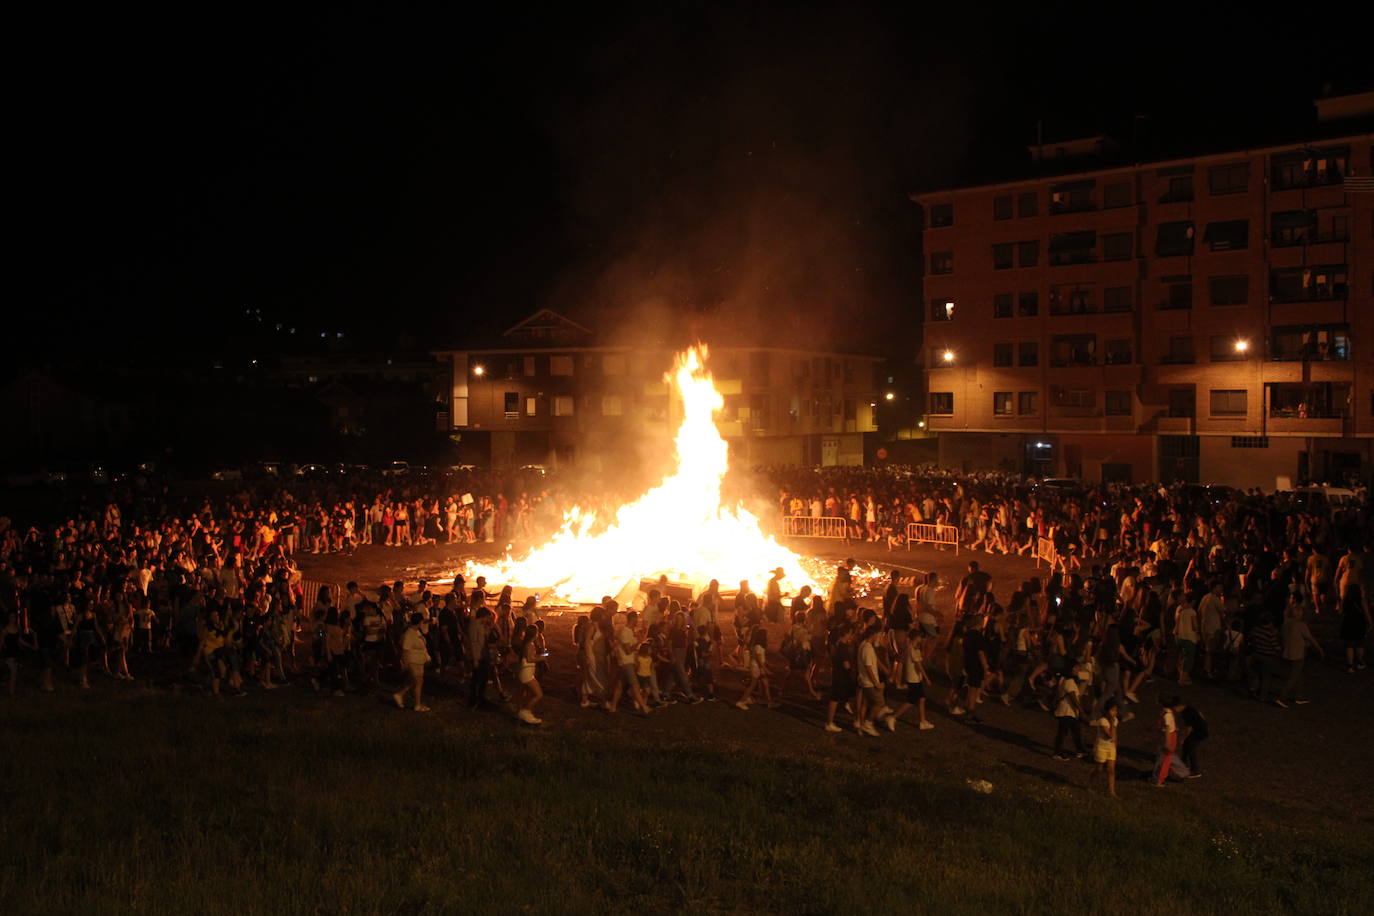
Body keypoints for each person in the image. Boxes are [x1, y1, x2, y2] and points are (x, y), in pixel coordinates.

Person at [1278, 596, 1322, 707]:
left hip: (1287, 652)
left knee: (1298, 674)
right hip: (1298, 653)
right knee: (1294, 676)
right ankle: (1282, 697)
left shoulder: (1286, 623)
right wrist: (1319, 649)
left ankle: (1299, 696)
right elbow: (1310, 638)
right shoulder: (1301, 625)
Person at [890, 623, 934, 730]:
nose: (921, 639)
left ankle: (922, 721)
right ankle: (892, 717)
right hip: (914, 679)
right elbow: (918, 665)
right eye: (920, 637)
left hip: (915, 679)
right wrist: (927, 678)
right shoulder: (912, 649)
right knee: (910, 701)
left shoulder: (914, 648)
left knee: (922, 699)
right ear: (916, 637)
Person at [393, 613, 431, 711]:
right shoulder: (409, 634)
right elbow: (405, 649)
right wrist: (405, 663)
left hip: (418, 660)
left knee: (413, 681)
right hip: (413, 661)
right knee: (418, 682)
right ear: (419, 622)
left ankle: (399, 695)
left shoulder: (416, 632)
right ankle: (417, 705)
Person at [1051, 667, 1087, 761]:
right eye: (1075, 669)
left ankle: (1081, 750)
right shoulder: (1070, 681)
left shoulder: (1064, 680)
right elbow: (1073, 697)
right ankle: (1057, 753)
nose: (1077, 670)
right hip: (1067, 712)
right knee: (1063, 733)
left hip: (1069, 712)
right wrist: (1081, 711)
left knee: (1076, 731)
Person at [1088, 697, 1120, 797]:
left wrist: (1116, 744)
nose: (1115, 712)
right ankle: (1089, 784)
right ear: (1107, 710)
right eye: (1113, 710)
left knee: (1111, 770)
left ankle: (1112, 792)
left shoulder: (1115, 720)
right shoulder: (1102, 721)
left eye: (1116, 710)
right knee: (1099, 769)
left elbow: (1114, 735)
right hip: (1101, 747)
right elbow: (1109, 735)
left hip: (1111, 748)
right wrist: (1112, 723)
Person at [736, 627, 773, 711]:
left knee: (765, 683)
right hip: (756, 667)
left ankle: (768, 702)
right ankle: (741, 701)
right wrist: (766, 670)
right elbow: (759, 661)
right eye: (767, 635)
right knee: (753, 685)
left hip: (757, 667)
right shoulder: (758, 647)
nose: (768, 636)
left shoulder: (758, 646)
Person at [1339, 583, 1370, 674]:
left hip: (1348, 622)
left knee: (1349, 645)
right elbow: (1366, 612)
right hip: (1359, 623)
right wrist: (1370, 623)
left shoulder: (1345, 600)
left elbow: (1340, 611)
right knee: (1359, 643)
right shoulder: (1361, 600)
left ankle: (1350, 666)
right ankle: (1360, 662)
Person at [1173, 699, 1208, 779]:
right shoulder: (1189, 708)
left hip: (1199, 732)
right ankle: (1183, 764)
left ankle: (1196, 771)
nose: (1175, 710)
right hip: (1198, 730)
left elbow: (1189, 728)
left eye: (1175, 708)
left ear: (1178, 706)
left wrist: (1182, 738)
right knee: (1186, 746)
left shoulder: (1187, 713)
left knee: (1191, 750)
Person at [515, 627, 543, 725]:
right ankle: (525, 712)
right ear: (534, 634)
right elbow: (530, 659)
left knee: (529, 694)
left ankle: (524, 712)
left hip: (528, 672)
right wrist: (542, 658)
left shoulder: (529, 644)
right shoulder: (528, 645)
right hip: (527, 673)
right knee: (539, 694)